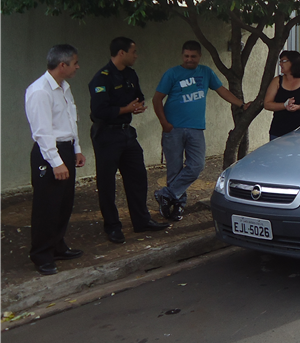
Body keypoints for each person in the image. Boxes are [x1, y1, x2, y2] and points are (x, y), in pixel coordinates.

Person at [152, 41, 251, 221]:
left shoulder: (206, 72)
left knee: (197, 165)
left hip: (196, 128)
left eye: (193, 56)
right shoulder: (172, 73)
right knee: (174, 170)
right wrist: (164, 123)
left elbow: (222, 90)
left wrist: (242, 104)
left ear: (199, 56)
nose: (189, 60)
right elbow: (157, 99)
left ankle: (166, 194)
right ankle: (177, 206)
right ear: (182, 56)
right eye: (186, 56)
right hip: (173, 129)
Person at [88, 37, 169, 244]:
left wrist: (138, 105)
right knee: (107, 182)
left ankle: (141, 221)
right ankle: (113, 226)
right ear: (121, 53)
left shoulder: (131, 75)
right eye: (133, 52)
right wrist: (126, 108)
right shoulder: (102, 78)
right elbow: (99, 111)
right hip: (107, 134)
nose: (136, 55)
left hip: (126, 133)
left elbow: (138, 96)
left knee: (137, 177)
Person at [25, 44, 87, 275]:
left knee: (64, 203)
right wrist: (56, 161)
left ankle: (57, 246)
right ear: (63, 65)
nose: (77, 67)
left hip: (66, 148)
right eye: (75, 63)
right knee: (47, 206)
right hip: (49, 152)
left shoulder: (64, 87)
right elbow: (42, 131)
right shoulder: (40, 91)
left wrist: (76, 148)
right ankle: (41, 254)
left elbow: (71, 120)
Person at [263, 50, 300, 140]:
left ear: (294, 62)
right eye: (280, 61)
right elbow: (267, 104)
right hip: (279, 131)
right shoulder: (277, 80)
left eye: (283, 61)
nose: (280, 64)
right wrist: (284, 105)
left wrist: (298, 107)